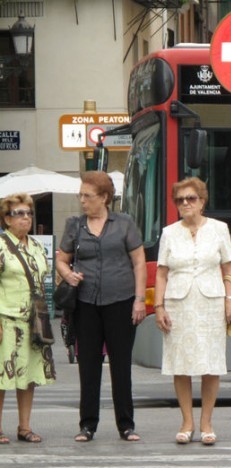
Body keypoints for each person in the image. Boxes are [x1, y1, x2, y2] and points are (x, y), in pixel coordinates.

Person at [56, 171, 146, 443]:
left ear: (104, 198)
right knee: (88, 366)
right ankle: (87, 425)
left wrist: (140, 299)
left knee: (121, 366)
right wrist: (67, 274)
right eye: (81, 195)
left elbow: (139, 262)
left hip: (121, 301)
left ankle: (126, 425)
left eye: (88, 196)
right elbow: (62, 260)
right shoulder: (75, 224)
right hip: (85, 304)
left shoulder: (124, 223)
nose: (83, 201)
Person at [152, 177, 231, 446]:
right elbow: (162, 273)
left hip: (211, 303)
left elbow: (229, 269)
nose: (185, 203)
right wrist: (159, 306)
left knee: (211, 364)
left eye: (191, 198)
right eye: (180, 200)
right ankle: (187, 421)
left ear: (202, 201)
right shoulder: (168, 232)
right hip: (178, 304)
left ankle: (207, 423)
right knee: (181, 365)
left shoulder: (219, 229)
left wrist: (230, 300)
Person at [0, 193, 55, 444]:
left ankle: (24, 426)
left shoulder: (34, 246)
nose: (25, 218)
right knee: (2, 376)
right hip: (6, 318)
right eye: (19, 214)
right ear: (6, 219)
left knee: (29, 375)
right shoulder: (1, 245)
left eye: (29, 213)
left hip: (33, 319)